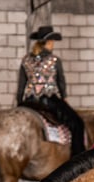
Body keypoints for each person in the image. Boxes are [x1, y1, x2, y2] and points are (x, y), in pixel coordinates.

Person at [17, 25, 86, 156]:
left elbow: (21, 86)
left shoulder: (26, 60)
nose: (53, 44)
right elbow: (61, 81)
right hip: (48, 101)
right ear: (48, 42)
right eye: (52, 42)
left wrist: (19, 103)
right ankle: (78, 157)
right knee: (77, 123)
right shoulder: (54, 60)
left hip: (29, 101)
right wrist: (64, 98)